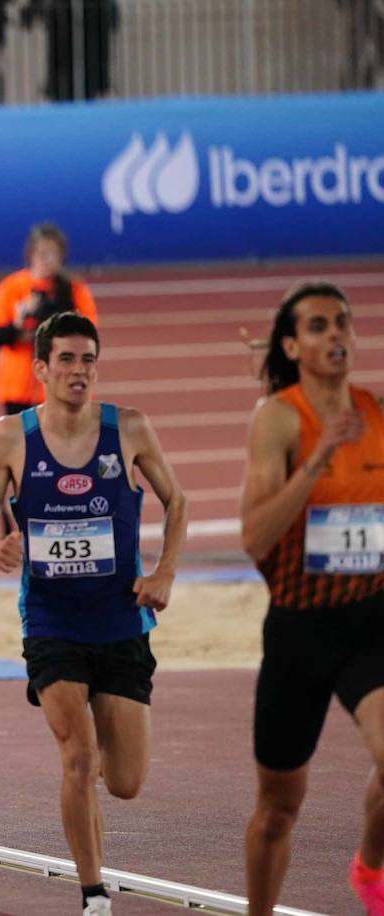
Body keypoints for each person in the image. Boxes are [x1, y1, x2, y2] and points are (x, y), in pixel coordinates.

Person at [0, 312, 187, 915]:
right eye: (65, 359)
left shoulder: (131, 429)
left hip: (122, 620)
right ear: (40, 368)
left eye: (88, 359)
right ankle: (93, 893)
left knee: (124, 782)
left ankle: (87, 790)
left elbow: (178, 501)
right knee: (79, 757)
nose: (78, 371)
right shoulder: (11, 435)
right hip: (51, 621)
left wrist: (164, 571)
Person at [238, 282, 384, 915]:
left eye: (343, 323)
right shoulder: (278, 419)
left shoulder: (376, 413)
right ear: (293, 345)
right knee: (277, 811)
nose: (337, 335)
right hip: (300, 630)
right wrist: (318, 459)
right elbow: (255, 536)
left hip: (371, 622)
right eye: (320, 325)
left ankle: (372, 873)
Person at [0, 222, 98, 415]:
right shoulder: (12, 286)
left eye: (53, 253)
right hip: (18, 388)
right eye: (41, 252)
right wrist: (20, 323)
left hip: (62, 387)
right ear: (31, 254)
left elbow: (89, 334)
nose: (46, 259)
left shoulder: (73, 290)